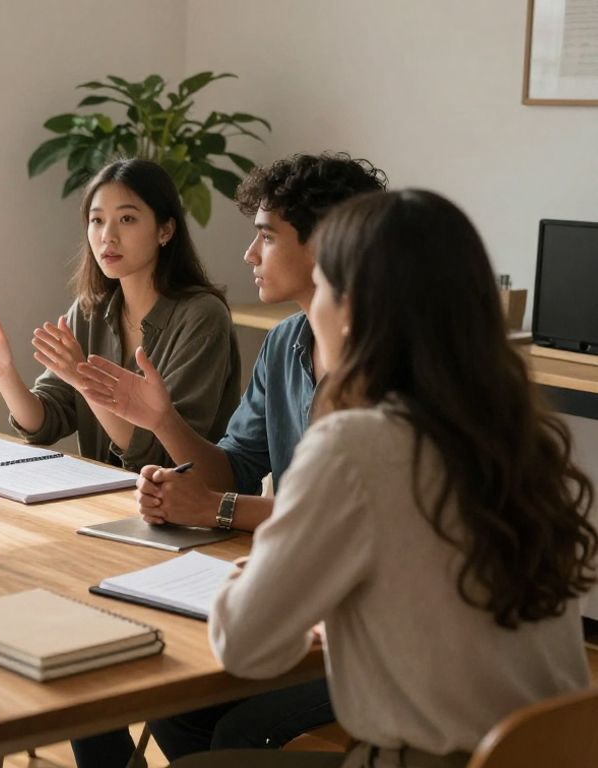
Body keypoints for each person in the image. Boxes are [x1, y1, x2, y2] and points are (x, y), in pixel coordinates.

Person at [171, 189, 596, 767]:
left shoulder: (353, 445)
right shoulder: (520, 437)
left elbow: (244, 644)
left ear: (352, 311)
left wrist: (259, 566)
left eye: (320, 287)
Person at [70, 153, 387, 763]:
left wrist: (217, 510)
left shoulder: (386, 362)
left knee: (237, 730)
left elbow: (343, 518)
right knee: (167, 704)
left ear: (327, 246)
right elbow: (234, 465)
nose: (249, 254)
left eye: (266, 235)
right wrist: (161, 421)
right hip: (305, 587)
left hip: (358, 624)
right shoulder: (286, 341)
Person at [0, 159, 239, 470]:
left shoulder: (203, 317)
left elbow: (164, 456)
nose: (108, 236)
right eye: (96, 220)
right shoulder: (90, 309)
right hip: (106, 498)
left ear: (166, 230)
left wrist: (82, 380)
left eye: (127, 219)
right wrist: (4, 374)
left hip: (183, 507)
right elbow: (45, 422)